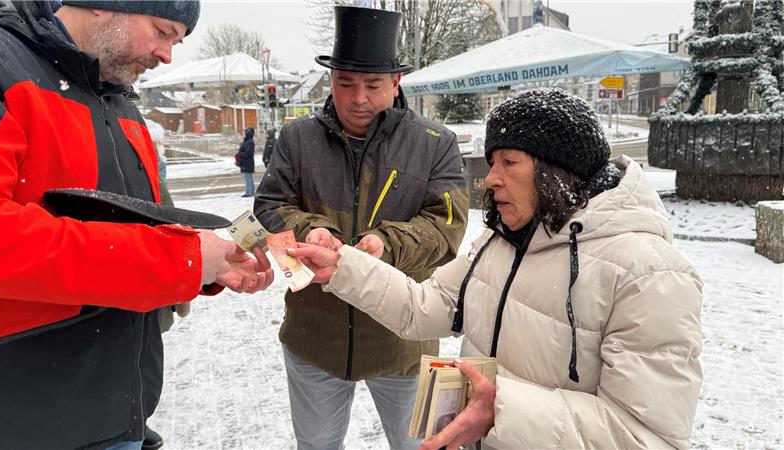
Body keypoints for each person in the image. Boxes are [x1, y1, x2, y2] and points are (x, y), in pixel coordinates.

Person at [289, 89, 704, 450]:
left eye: (508, 161)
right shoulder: (503, 241)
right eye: (491, 162)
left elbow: (648, 438)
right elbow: (424, 306)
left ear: (557, 170)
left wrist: (499, 411)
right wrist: (343, 266)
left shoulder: (650, 275)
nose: (489, 180)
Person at [0, 1, 274, 449]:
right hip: (21, 417)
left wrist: (207, 268)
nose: (167, 55)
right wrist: (182, 259)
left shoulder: (120, 100)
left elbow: (134, 228)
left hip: (117, 412)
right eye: (162, 32)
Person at [253, 5, 469, 449]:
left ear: (396, 82)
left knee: (421, 446)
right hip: (314, 338)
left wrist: (386, 244)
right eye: (345, 84)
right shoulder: (297, 139)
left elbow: (447, 226)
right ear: (330, 81)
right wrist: (310, 230)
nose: (358, 99)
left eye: (372, 85)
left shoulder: (436, 144)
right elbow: (270, 206)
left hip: (403, 340)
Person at [237, 127, 256, 197]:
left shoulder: (249, 142)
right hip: (245, 162)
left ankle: (249, 192)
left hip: (247, 162)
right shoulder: (247, 141)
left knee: (248, 178)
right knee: (248, 177)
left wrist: (239, 154)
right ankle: (251, 192)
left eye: (246, 132)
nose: (244, 134)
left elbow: (248, 153)